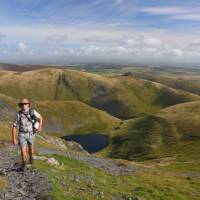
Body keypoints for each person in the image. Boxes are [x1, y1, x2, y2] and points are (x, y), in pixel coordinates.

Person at [12, 98, 43, 171]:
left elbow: (40, 117)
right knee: (23, 150)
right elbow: (14, 126)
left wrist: (40, 126)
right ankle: (24, 164)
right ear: (20, 105)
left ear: (28, 105)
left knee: (31, 149)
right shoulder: (19, 114)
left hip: (31, 133)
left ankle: (31, 163)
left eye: (25, 104)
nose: (24, 105)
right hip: (22, 134)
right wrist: (14, 138)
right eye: (22, 104)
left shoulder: (32, 111)